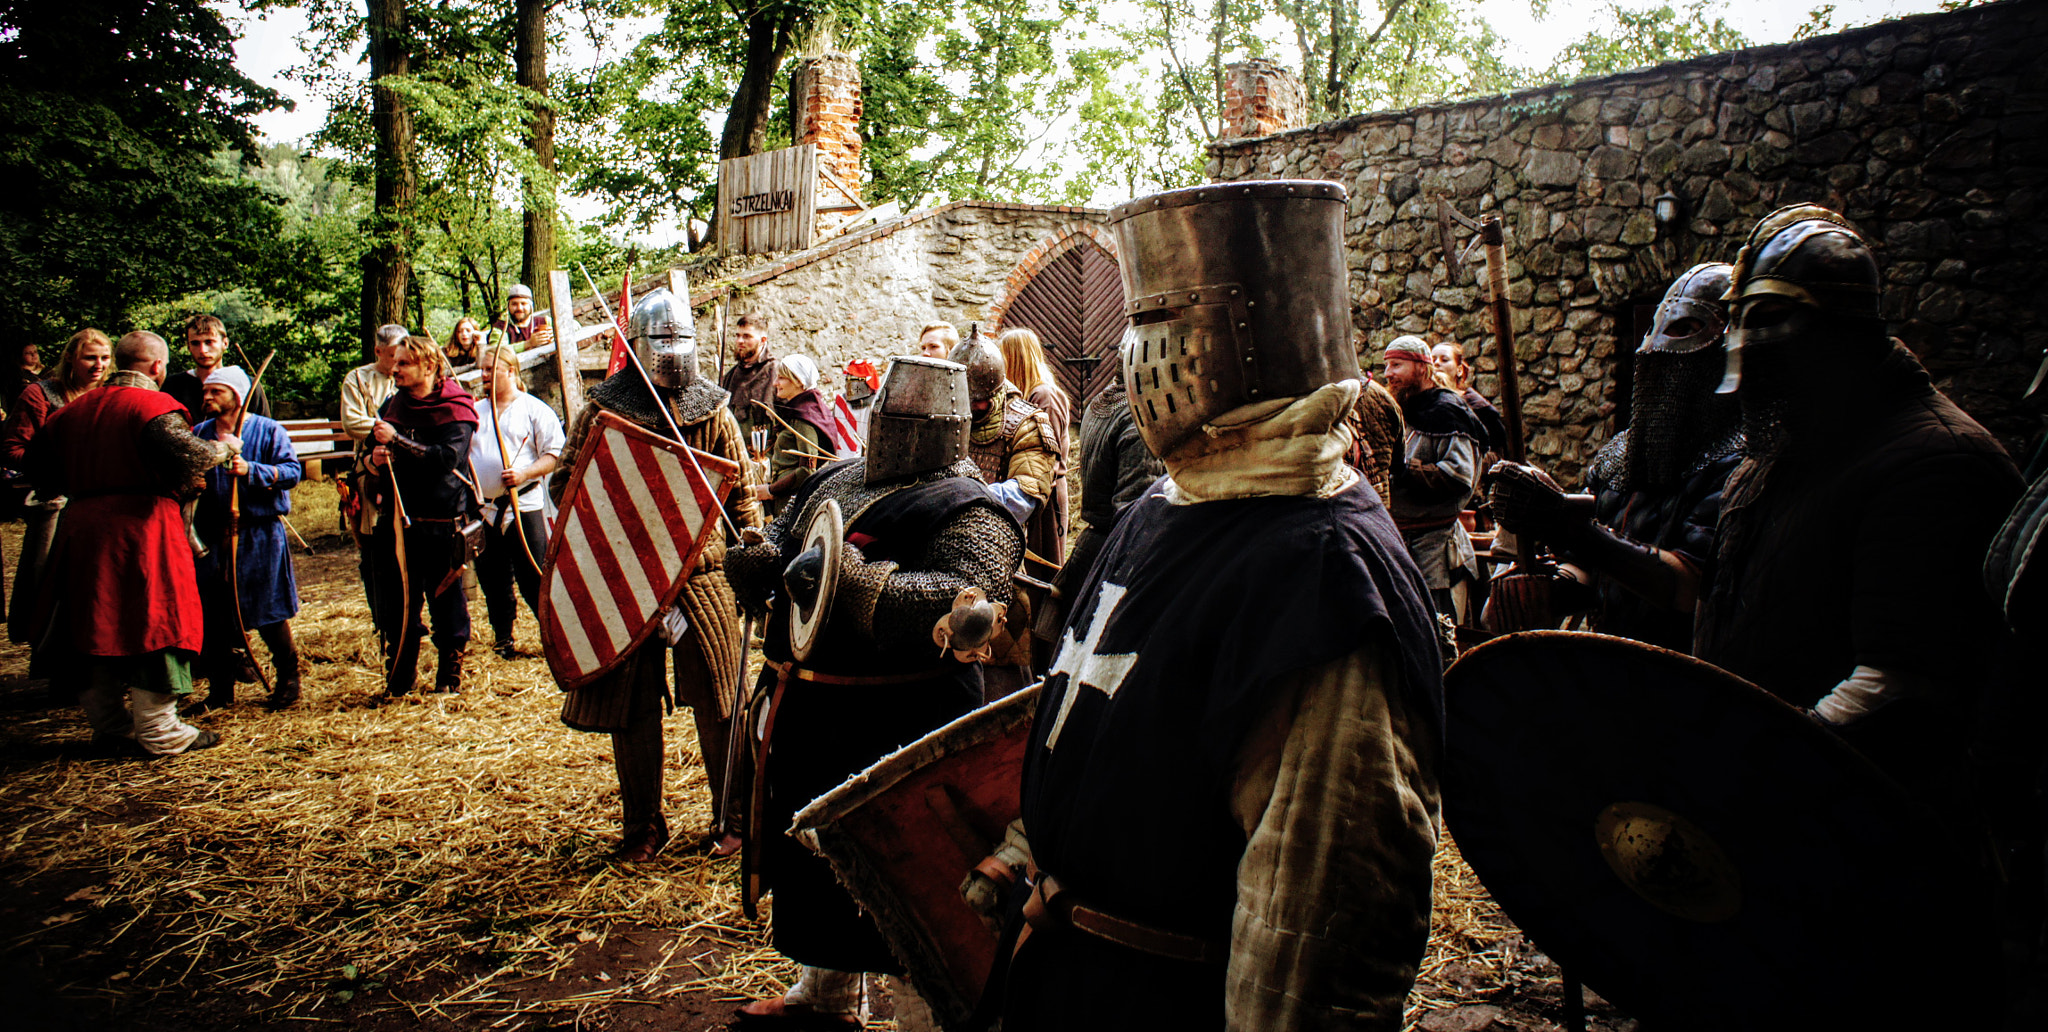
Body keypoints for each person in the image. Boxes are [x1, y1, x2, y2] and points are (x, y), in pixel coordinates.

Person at [999, 180, 1444, 1031]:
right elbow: (1097, 719)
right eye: (1138, 328)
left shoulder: (1323, 578)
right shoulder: (1160, 511)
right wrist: (1027, 849)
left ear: (1256, 339)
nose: (1140, 358)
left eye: (1164, 329)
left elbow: (1310, 944)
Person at [724, 355, 1022, 1030]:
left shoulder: (973, 507)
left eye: (909, 420)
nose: (893, 428)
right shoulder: (839, 474)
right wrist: (761, 560)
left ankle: (926, 1011)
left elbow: (972, 610)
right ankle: (823, 995)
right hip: (816, 706)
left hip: (905, 717)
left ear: (950, 428)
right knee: (817, 864)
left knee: (911, 874)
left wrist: (864, 589)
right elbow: (788, 539)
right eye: (887, 413)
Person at [1693, 204, 2022, 798]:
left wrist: (1753, 772)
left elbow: (1899, 686)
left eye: (1772, 318)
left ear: (1842, 335)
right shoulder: (1786, 451)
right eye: (1743, 320)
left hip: (1844, 816)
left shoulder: (1936, 463)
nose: (1755, 354)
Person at [551, 284, 761, 860]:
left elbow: (741, 494)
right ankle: (642, 827)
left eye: (680, 339)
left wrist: (751, 553)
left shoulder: (712, 407)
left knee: (722, 701)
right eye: (661, 340)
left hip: (702, 574)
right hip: (627, 576)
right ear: (638, 344)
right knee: (632, 707)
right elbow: (565, 486)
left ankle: (732, 819)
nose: (671, 350)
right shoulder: (604, 408)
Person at [1486, 263, 1744, 651]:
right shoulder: (1624, 452)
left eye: (1685, 329)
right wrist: (1553, 590)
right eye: (1656, 328)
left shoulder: (1738, 460)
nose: (1658, 345)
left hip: (1692, 672)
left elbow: (1689, 587)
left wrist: (1566, 524)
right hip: (1613, 665)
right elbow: (1587, 565)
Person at [29, 331, 232, 756]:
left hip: (81, 528)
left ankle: (109, 724)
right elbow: (191, 457)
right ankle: (161, 730)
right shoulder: (152, 406)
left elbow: (38, 471)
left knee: (91, 622)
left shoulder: (71, 410)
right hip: (142, 531)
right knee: (153, 618)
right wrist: (223, 448)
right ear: (158, 367)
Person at [362, 336, 480, 697]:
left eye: (403, 364)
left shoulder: (456, 408)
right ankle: (399, 677)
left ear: (428, 367)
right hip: (397, 522)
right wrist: (374, 461)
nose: (394, 369)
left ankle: (448, 679)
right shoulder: (392, 406)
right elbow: (365, 460)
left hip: (442, 524)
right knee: (396, 604)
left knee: (446, 602)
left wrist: (396, 442)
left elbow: (447, 459)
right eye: (394, 363)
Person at [950, 330, 1058, 695]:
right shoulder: (944, 411)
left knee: (1001, 681)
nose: (973, 407)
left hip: (999, 562)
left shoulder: (1028, 422)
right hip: (943, 560)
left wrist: (957, 497)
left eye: (979, 400)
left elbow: (1025, 494)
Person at [191, 365, 305, 712]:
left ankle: (289, 682)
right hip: (216, 533)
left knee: (267, 608)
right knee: (216, 612)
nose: (207, 397)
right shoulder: (200, 432)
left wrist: (251, 470)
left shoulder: (269, 430)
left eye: (216, 392)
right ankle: (221, 692)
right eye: (206, 392)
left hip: (258, 531)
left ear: (237, 397)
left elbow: (291, 472)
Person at [1034, 374, 1164, 659]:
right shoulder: (1137, 413)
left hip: (1093, 546)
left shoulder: (1101, 402)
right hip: (1118, 552)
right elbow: (1135, 510)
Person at [3, 328, 111, 643]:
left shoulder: (110, 394)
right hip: (56, 505)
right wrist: (59, 468)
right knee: (47, 586)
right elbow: (12, 449)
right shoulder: (40, 394)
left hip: (102, 506)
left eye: (105, 358)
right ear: (70, 358)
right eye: (90, 358)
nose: (98, 365)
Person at [467, 343, 563, 659]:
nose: (483, 375)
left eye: (490, 370)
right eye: (482, 369)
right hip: (484, 509)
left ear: (510, 371)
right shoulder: (476, 412)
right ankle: (503, 637)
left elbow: (554, 455)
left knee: (534, 576)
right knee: (492, 577)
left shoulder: (533, 409)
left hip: (523, 506)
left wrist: (523, 474)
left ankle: (554, 640)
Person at [1382, 335, 1485, 617]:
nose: (1388, 374)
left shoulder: (1447, 411)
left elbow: (1458, 477)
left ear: (1421, 367)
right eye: (1387, 366)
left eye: (1397, 365)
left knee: (1439, 635)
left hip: (1435, 548)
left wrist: (1403, 471)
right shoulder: (1405, 409)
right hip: (1401, 543)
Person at [342, 325, 405, 636]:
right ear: (378, 352)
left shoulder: (414, 371)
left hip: (409, 468)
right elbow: (352, 422)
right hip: (371, 470)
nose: (397, 364)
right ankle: (383, 620)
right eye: (392, 356)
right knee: (374, 545)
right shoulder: (358, 379)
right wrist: (392, 427)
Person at [998, 327, 1072, 568]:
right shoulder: (1029, 394)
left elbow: (1047, 457)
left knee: (1043, 568)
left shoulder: (1044, 396)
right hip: (1035, 491)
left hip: (1046, 496)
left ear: (1015, 358)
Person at [748, 353, 835, 517]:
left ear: (799, 382)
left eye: (781, 378)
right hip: (786, 496)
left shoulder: (804, 417)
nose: (775, 383)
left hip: (792, 501)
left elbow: (807, 470)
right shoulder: (801, 411)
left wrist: (771, 490)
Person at [165, 315, 270, 420]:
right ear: (188, 346)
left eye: (209, 342)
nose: (203, 350)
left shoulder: (247, 385)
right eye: (195, 343)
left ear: (225, 343)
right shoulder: (173, 385)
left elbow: (264, 430)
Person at [1430, 341, 1507, 462]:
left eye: (1444, 360)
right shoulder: (1423, 402)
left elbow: (1499, 451)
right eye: (1432, 360)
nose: (1437, 363)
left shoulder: (1480, 409)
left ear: (1459, 370)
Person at [1346, 370, 1407, 505]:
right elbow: (1398, 463)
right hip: (1375, 511)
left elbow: (1397, 464)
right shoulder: (1381, 395)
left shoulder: (1379, 397)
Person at [721, 314, 779, 450]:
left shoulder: (775, 373)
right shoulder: (731, 375)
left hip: (763, 456)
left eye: (747, 336)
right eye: (738, 335)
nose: (740, 341)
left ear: (763, 340)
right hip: (733, 453)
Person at [492, 284, 554, 351]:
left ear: (530, 306)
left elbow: (564, 336)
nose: (519, 308)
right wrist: (528, 344)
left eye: (523, 303)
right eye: (514, 304)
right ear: (508, 306)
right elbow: (497, 352)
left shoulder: (545, 321)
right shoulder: (501, 328)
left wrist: (555, 336)